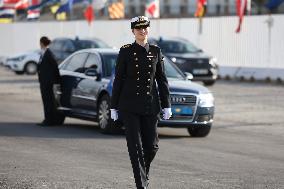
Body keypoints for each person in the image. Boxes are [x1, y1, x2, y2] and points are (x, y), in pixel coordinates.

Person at [110, 16, 172, 189]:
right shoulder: (126, 51)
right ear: (133, 31)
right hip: (129, 106)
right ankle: (141, 185)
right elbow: (119, 80)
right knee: (135, 147)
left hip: (150, 105)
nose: (142, 31)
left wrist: (167, 104)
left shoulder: (156, 51)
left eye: (145, 28)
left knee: (152, 147)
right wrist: (113, 106)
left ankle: (143, 173)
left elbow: (162, 79)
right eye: (138, 28)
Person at [37, 36, 61, 126]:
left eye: (40, 43)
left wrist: (56, 80)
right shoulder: (43, 53)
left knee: (48, 101)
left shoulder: (49, 53)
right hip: (43, 82)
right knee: (45, 100)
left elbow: (55, 66)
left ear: (42, 43)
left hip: (48, 82)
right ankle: (47, 119)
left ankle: (49, 120)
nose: (39, 45)